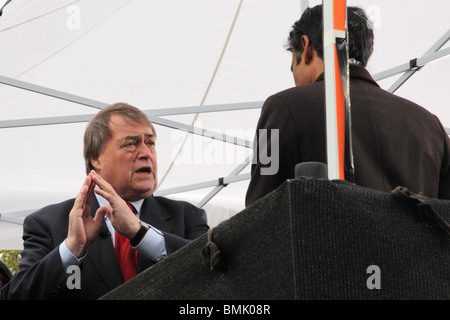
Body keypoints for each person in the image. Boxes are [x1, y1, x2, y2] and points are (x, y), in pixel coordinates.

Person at [246, 5, 450, 207]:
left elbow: (257, 209)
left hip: (322, 240)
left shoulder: (280, 108)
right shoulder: (431, 127)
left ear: (305, 46)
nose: (295, 81)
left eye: (294, 68)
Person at [1, 103, 209, 299]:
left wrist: (141, 234)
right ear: (96, 158)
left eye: (150, 143)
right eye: (131, 143)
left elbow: (216, 273)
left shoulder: (188, 216)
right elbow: (16, 296)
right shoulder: (48, 223)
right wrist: (72, 248)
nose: (146, 153)